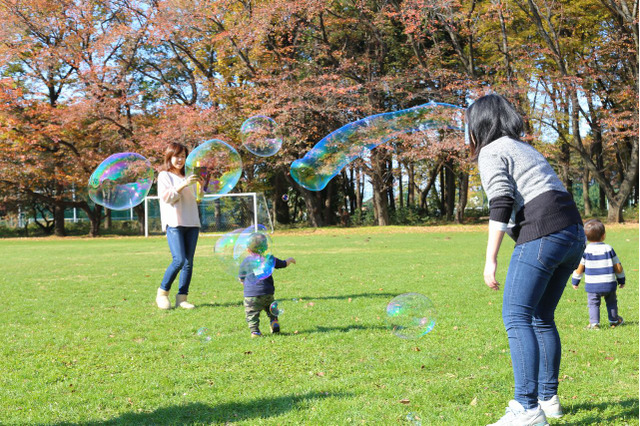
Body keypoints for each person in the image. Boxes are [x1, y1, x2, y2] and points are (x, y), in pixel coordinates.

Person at [467, 94, 585, 426]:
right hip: (573, 233)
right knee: (541, 317)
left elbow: (501, 202)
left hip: (544, 232)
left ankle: (526, 408)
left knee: (517, 317)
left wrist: (490, 259)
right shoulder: (525, 147)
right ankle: (548, 401)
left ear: (478, 124)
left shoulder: (491, 151)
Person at [155, 142, 203, 310]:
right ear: (169, 157)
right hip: (174, 223)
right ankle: (162, 293)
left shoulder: (189, 175)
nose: (180, 159)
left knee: (189, 262)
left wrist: (200, 185)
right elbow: (168, 197)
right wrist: (184, 183)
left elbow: (198, 198)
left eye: (183, 156)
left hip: (192, 222)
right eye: (176, 156)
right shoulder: (164, 176)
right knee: (179, 260)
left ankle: (182, 298)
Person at [571, 219, 626, 329]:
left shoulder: (586, 250)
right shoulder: (609, 249)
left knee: (593, 304)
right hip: (609, 284)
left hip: (593, 286)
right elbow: (618, 267)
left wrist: (575, 281)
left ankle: (594, 323)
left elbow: (580, 267)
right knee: (611, 302)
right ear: (603, 235)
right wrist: (621, 279)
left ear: (586, 237)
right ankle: (614, 320)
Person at [238, 233, 295, 337]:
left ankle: (255, 331)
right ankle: (274, 322)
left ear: (248, 249)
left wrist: (242, 282)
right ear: (266, 247)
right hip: (267, 292)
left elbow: (241, 276)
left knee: (252, 314)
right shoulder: (270, 259)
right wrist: (289, 260)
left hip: (251, 295)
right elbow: (283, 264)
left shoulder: (246, 261)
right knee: (271, 309)